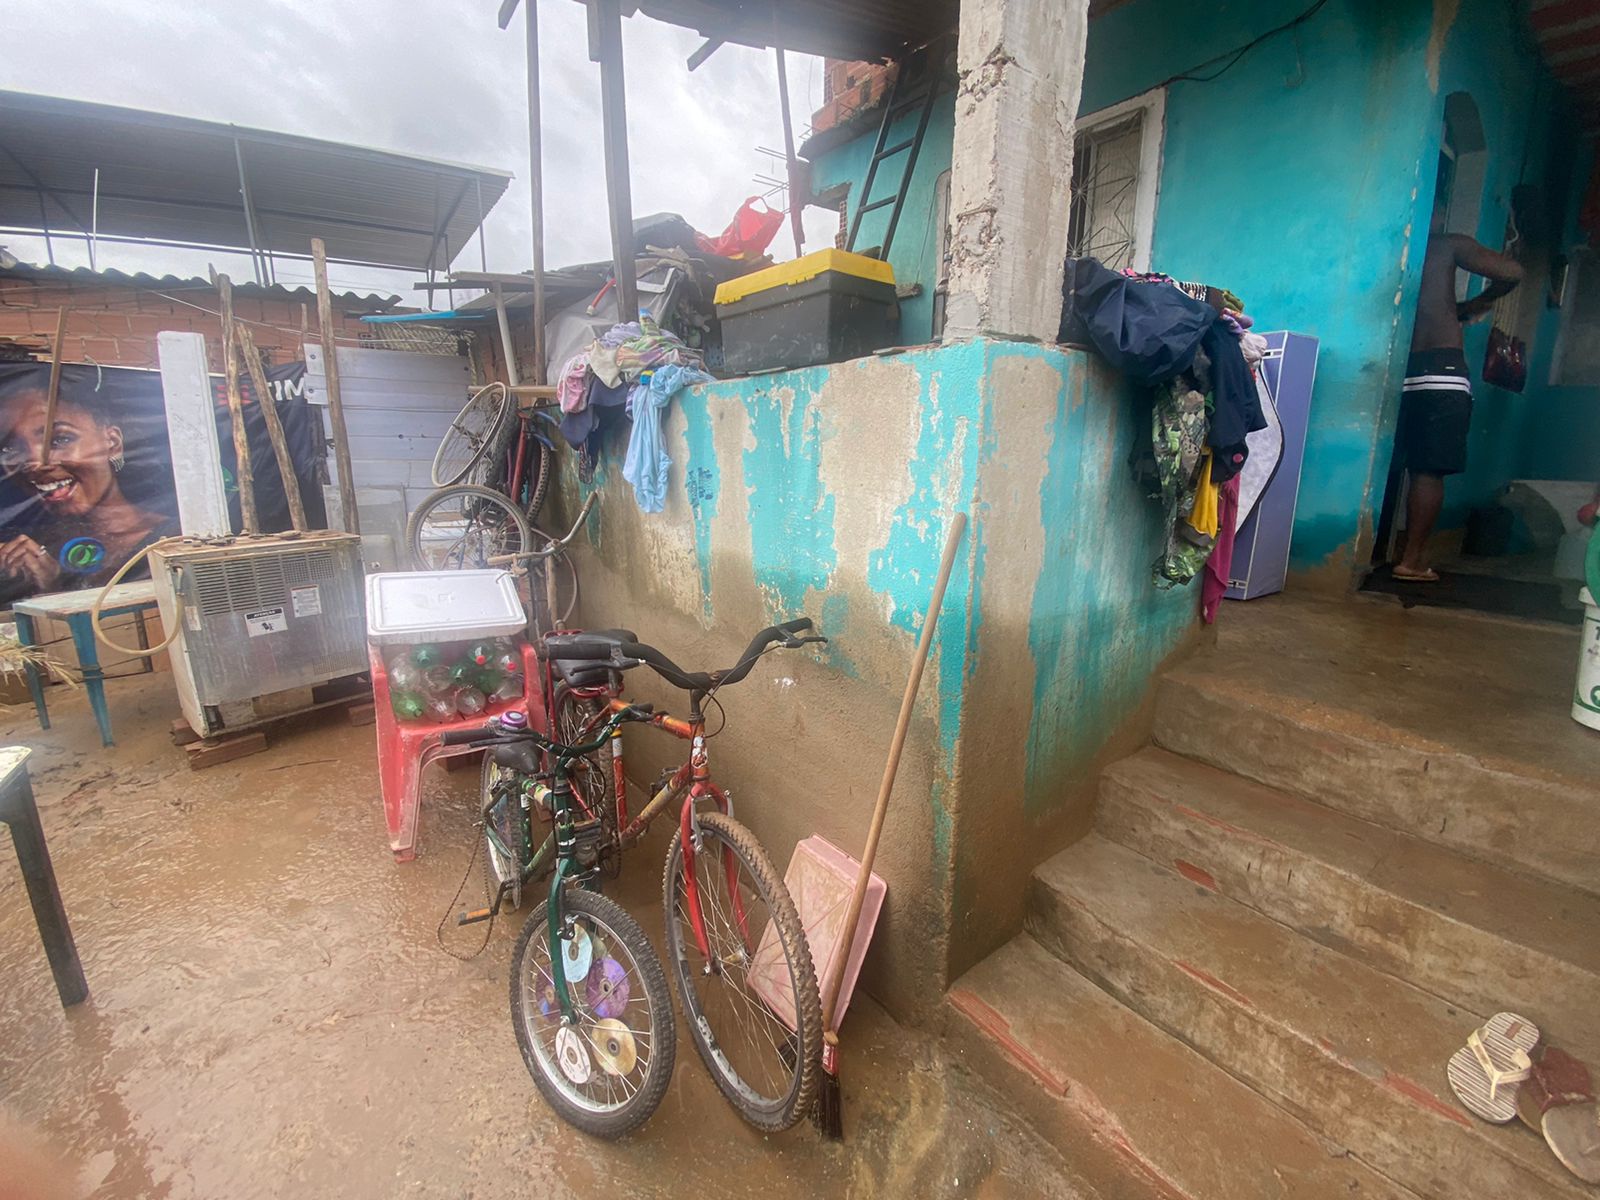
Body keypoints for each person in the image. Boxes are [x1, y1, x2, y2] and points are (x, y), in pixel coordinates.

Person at [1395, 187, 1524, 581]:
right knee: (1429, 472)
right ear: (1436, 215)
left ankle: (1403, 553)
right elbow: (1514, 272)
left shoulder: (1398, 254)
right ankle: (1412, 560)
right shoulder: (1448, 245)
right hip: (1442, 371)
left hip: (1404, 369)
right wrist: (1479, 303)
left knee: (1413, 466)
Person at [0, 386, 177, 596]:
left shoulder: (176, 542)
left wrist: (54, 591)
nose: (35, 463)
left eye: (59, 440)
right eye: (11, 449)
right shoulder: (28, 549)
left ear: (112, 443)